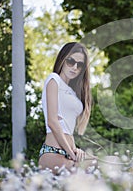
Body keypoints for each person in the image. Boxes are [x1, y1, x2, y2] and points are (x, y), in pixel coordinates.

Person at [38, 42, 95, 173]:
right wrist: (72, 153)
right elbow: (53, 122)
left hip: (70, 153)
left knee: (112, 162)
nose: (74, 67)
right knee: (103, 166)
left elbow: (67, 128)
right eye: (71, 61)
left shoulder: (72, 92)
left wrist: (75, 150)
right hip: (53, 153)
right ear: (63, 59)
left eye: (79, 65)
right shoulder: (54, 79)